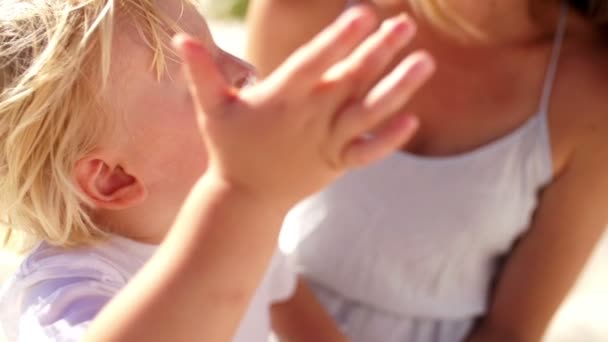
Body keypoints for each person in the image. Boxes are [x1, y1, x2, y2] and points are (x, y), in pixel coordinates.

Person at [0, 1, 434, 341]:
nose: (246, 72)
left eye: (218, 48)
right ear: (113, 178)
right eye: (197, 78)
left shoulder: (224, 223)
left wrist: (249, 205)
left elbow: (286, 300)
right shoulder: (69, 291)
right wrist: (246, 194)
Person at [247, 0, 608, 341]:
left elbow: (511, 330)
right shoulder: (304, 10)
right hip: (257, 317)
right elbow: (233, 204)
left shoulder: (590, 85)